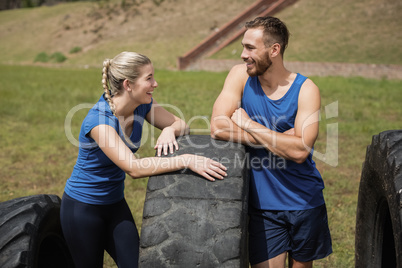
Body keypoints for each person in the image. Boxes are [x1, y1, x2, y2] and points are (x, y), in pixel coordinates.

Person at [60, 51, 228, 268]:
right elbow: (134, 168)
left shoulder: (143, 105)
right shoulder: (99, 121)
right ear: (128, 85)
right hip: (82, 210)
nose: (155, 83)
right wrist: (186, 159)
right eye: (148, 78)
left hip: (114, 204)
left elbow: (182, 125)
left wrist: (169, 129)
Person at [210, 17, 332, 268]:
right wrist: (282, 138)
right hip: (263, 206)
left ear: (274, 50)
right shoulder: (240, 76)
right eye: (243, 47)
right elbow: (218, 126)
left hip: (304, 200)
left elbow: (300, 152)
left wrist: (249, 124)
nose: (243, 55)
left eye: (250, 48)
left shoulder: (306, 89)